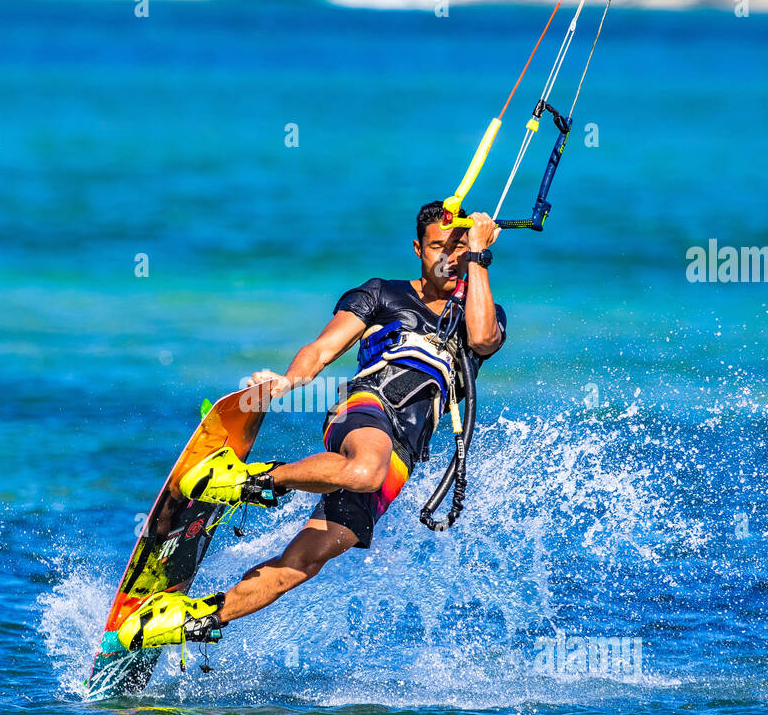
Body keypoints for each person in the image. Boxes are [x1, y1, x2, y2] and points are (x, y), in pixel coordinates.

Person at [116, 202, 507, 652]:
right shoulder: (382, 294)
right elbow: (321, 349)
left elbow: (481, 339)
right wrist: (287, 382)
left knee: (300, 564)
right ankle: (242, 479)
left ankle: (189, 619)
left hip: (403, 452)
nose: (449, 257)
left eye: (458, 248)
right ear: (418, 248)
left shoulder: (481, 310)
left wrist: (478, 255)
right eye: (438, 246)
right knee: (364, 469)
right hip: (366, 408)